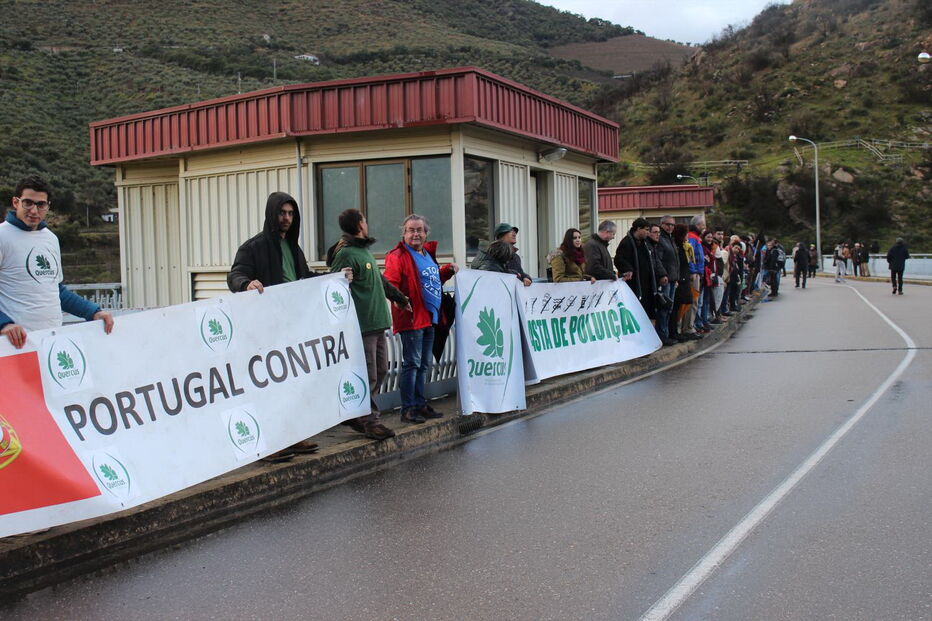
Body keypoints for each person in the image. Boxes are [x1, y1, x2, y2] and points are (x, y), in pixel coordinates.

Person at [228, 191, 349, 459]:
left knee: (292, 384)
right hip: (265, 330)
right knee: (269, 387)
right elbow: (235, 275)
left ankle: (292, 435)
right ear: (272, 214)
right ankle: (269, 444)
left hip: (292, 327)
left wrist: (335, 279)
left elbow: (305, 277)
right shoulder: (253, 247)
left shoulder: (294, 248)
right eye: (282, 213)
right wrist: (246, 284)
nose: (286, 218)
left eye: (291, 214)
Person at [0, 175, 114, 349]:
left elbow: (55, 289)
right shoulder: (2, 236)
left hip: (50, 342)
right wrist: (4, 324)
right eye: (28, 203)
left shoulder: (51, 239)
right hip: (13, 346)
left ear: (48, 206)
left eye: (41, 205)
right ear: (16, 202)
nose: (34, 210)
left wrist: (93, 312)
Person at [328, 209, 410, 441]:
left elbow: (379, 280)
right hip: (361, 325)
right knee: (369, 374)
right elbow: (335, 284)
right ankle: (370, 421)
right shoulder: (345, 253)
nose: (367, 223)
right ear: (358, 225)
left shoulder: (363, 251)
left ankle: (358, 414)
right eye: (364, 219)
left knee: (382, 370)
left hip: (377, 322)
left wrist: (399, 297)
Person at [384, 215, 458, 423]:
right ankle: (407, 409)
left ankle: (420, 403)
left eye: (419, 230)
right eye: (410, 230)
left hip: (430, 317)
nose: (415, 234)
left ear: (426, 234)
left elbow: (431, 280)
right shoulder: (398, 256)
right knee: (412, 363)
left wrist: (447, 270)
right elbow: (390, 283)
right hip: (411, 317)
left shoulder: (426, 254)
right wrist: (400, 300)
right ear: (404, 233)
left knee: (424, 364)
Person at [614, 218, 666, 321]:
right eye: (646, 230)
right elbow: (619, 259)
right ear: (638, 229)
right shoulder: (627, 242)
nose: (647, 232)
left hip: (646, 284)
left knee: (648, 313)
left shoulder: (644, 243)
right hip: (635, 284)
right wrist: (628, 269)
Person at [648, 222, 677, 345]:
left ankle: (665, 334)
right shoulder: (653, 245)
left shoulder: (663, 242)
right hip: (661, 281)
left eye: (658, 232)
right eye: (655, 232)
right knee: (662, 309)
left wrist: (675, 277)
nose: (657, 235)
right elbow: (658, 262)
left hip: (669, 278)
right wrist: (662, 275)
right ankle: (662, 335)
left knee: (668, 308)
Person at [686, 215, 707, 333]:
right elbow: (690, 255)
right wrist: (693, 271)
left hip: (698, 273)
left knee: (696, 301)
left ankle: (691, 325)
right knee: (693, 301)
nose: (704, 227)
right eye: (703, 225)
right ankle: (689, 327)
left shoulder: (696, 237)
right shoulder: (693, 238)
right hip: (695, 274)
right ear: (697, 225)